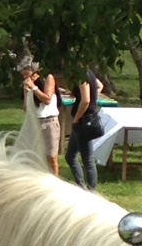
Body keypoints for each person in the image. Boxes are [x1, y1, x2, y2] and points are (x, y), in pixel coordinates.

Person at [66, 62, 104, 190]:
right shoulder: (89, 72)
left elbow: (86, 100)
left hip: (84, 121)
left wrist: (77, 118)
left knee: (87, 159)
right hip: (82, 120)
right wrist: (93, 97)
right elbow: (100, 86)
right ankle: (81, 186)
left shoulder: (81, 75)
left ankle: (91, 190)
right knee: (70, 156)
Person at [22, 60, 60, 176]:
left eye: (26, 74)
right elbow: (26, 108)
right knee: (36, 154)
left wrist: (34, 88)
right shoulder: (28, 83)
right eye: (23, 75)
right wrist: (26, 93)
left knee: (51, 156)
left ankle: (55, 179)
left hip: (49, 121)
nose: (25, 77)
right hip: (36, 122)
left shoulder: (48, 78)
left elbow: (47, 99)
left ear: (34, 70)